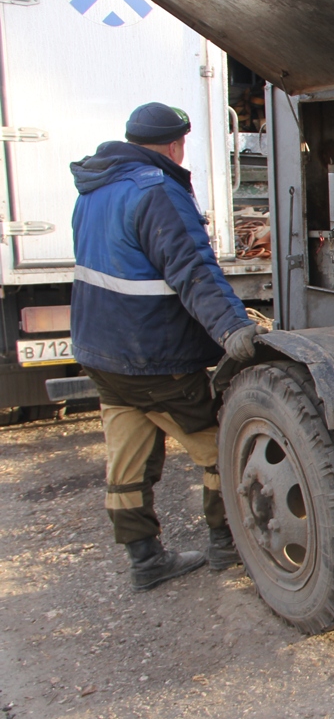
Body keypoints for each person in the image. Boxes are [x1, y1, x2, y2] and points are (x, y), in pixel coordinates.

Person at [69, 102, 266, 591]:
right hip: (153, 357)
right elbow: (193, 270)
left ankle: (145, 560)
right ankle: (228, 545)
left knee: (127, 458)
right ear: (177, 144)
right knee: (222, 446)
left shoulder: (94, 189)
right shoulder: (156, 191)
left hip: (101, 353)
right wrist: (233, 331)